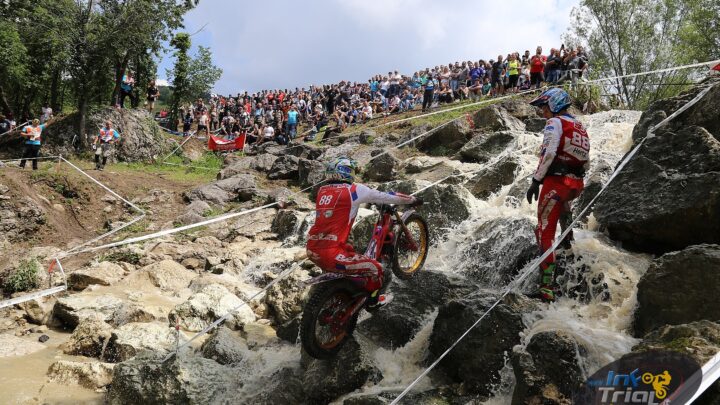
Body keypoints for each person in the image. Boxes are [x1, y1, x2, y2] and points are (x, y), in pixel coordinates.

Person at [306, 157, 420, 309]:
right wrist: (412, 200)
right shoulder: (354, 190)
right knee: (377, 268)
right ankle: (373, 302)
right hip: (331, 254)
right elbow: (386, 197)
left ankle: (348, 289)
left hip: (312, 249)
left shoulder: (322, 191)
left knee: (350, 250)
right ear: (347, 172)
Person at [526, 88, 590, 302]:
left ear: (554, 104)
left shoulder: (554, 123)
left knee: (544, 230)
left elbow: (549, 152)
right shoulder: (580, 126)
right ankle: (568, 247)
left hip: (556, 182)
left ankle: (546, 288)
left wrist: (536, 180)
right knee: (563, 211)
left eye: (544, 106)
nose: (542, 111)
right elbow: (586, 161)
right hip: (575, 184)